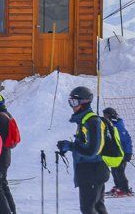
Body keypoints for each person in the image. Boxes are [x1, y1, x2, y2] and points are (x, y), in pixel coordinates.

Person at [56, 86, 110, 214]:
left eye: (74, 102)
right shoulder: (84, 121)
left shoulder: (92, 122)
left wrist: (70, 146)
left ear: (84, 103)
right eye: (70, 102)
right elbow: (85, 146)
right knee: (97, 207)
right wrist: (68, 146)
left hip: (92, 171)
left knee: (88, 208)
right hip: (90, 171)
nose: (72, 106)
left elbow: (92, 151)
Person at [103, 107, 133, 197]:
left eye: (106, 115)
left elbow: (127, 140)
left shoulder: (118, 126)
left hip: (122, 153)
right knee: (114, 170)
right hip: (114, 153)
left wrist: (128, 153)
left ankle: (125, 189)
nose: (105, 117)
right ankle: (118, 186)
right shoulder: (109, 125)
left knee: (119, 171)